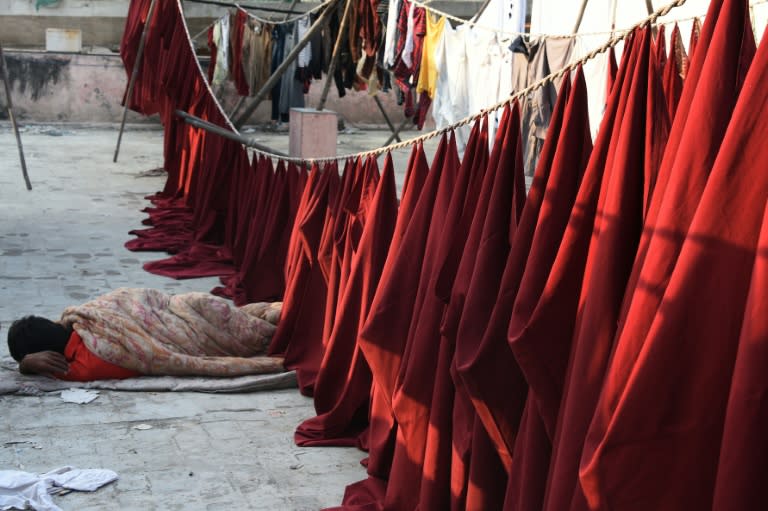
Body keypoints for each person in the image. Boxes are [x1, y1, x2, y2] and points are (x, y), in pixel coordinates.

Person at [7, 288, 283, 382]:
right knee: (254, 321)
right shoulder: (82, 322)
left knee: (261, 330)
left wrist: (26, 365)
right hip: (195, 309)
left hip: (184, 314)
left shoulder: (83, 362)